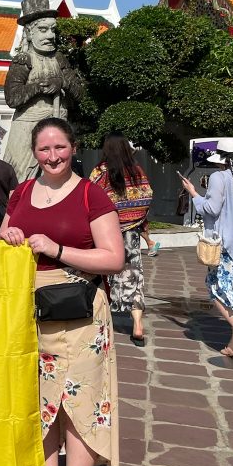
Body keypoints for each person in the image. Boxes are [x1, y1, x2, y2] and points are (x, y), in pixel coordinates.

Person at [0, 117, 123, 466]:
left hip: (81, 313)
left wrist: (58, 249)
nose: (52, 156)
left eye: (60, 148)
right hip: (32, 312)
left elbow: (113, 258)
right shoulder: (20, 193)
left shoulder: (92, 195)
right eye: (44, 149)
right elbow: (2, 242)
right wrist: (12, 235)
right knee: (43, 405)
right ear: (34, 153)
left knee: (79, 405)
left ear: (74, 148)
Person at [3, 0, 83, 182]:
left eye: (52, 30)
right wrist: (37, 87)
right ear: (30, 33)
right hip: (28, 128)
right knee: (22, 178)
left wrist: (62, 83)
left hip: (58, 125)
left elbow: (79, 94)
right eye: (43, 30)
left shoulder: (60, 59)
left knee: (61, 177)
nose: (50, 36)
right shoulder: (23, 60)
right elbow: (12, 98)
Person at [89, 133, 154, 346]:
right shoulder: (136, 171)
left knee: (103, 274)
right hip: (131, 234)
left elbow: (89, 198)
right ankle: (137, 324)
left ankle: (102, 320)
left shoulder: (100, 172)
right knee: (134, 275)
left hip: (106, 232)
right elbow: (146, 195)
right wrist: (133, 219)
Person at [179, 138, 233, 359]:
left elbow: (211, 209)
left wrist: (193, 193)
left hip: (223, 243)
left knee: (217, 289)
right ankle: (232, 346)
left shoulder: (218, 177)